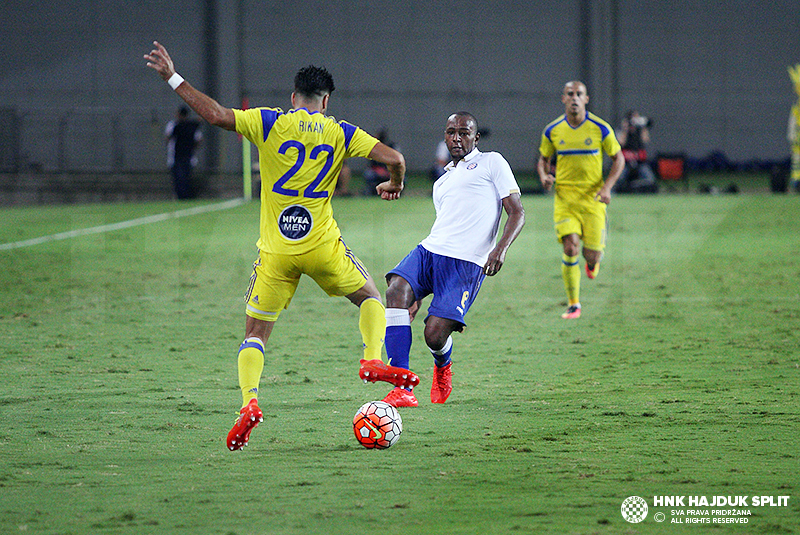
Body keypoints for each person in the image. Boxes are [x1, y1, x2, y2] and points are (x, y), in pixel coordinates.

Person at [144, 41, 419, 451]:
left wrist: (172, 76)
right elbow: (395, 158)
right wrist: (394, 184)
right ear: (325, 101)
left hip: (277, 251)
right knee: (369, 297)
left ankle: (249, 403)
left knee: (255, 333)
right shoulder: (341, 131)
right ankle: (372, 358)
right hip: (323, 245)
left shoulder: (269, 122)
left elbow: (216, 115)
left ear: (294, 98)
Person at [380, 112, 525, 407]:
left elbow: (517, 212)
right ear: (444, 136)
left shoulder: (492, 162)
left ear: (475, 137)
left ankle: (442, 366)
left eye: (463, 132)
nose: (456, 138)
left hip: (467, 263)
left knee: (433, 335)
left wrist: (500, 248)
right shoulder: (442, 181)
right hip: (430, 251)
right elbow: (446, 225)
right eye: (450, 132)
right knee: (396, 290)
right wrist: (416, 290)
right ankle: (402, 385)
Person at [537, 80, 625, 320]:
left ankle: (592, 263)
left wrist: (607, 188)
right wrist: (545, 176)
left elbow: (619, 159)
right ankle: (574, 304)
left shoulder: (600, 128)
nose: (574, 98)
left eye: (579, 94)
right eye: (570, 94)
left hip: (593, 200)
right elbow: (543, 159)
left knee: (592, 254)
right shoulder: (552, 130)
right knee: (570, 246)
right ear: (563, 99)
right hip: (565, 199)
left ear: (586, 99)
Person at [614, 109, 657, 193]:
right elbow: (621, 142)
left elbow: (645, 140)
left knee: (649, 178)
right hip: (625, 161)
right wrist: (625, 129)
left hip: (640, 161)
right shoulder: (622, 130)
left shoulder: (640, 130)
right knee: (619, 178)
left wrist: (643, 126)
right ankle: (613, 193)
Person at [165, 106, 203, 199]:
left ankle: (181, 195)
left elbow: (168, 138)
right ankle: (185, 195)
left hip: (178, 155)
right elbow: (199, 139)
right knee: (185, 176)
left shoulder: (175, 125)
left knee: (179, 177)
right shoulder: (192, 125)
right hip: (187, 155)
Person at [362, 128, 397, 195]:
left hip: (389, 171)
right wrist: (378, 170)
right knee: (368, 174)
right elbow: (371, 163)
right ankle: (372, 191)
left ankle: (395, 192)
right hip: (376, 170)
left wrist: (387, 171)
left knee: (400, 176)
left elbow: (396, 162)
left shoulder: (392, 146)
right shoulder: (373, 146)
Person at [788, 64, 800, 192]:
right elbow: (793, 122)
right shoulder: (796, 107)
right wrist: (792, 137)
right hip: (797, 142)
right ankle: (796, 182)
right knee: (796, 162)